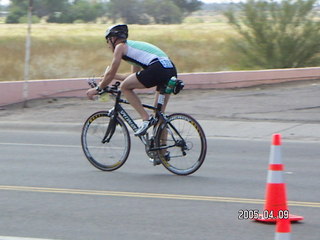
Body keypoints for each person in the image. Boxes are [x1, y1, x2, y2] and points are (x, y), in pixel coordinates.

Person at [87, 24, 177, 136]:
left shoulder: (120, 47)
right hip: (170, 69)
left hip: (157, 68)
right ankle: (163, 151)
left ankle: (145, 119)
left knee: (124, 87)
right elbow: (134, 76)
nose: (108, 45)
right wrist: (115, 76)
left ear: (113, 39)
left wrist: (98, 88)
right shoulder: (133, 50)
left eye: (108, 41)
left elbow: (112, 72)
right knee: (159, 114)